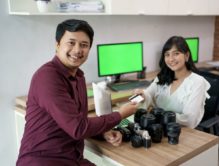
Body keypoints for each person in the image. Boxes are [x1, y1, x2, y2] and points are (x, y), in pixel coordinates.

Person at [16, 19, 138, 166]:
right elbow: (78, 128)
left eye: (84, 45)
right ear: (57, 45)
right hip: (43, 161)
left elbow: (77, 121)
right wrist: (121, 114)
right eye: (71, 43)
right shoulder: (47, 77)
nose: (77, 50)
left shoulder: (78, 77)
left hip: (73, 160)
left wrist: (102, 132)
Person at [134, 36, 210, 129]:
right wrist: (141, 95)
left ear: (186, 56)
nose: (171, 59)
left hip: (180, 133)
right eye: (167, 54)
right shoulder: (163, 76)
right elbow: (148, 93)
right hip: (158, 128)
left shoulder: (197, 82)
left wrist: (156, 113)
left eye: (176, 53)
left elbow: (190, 120)